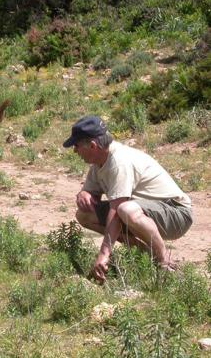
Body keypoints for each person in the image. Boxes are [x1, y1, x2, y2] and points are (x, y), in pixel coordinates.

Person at [63, 116, 193, 284]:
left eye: (76, 146)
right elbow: (90, 193)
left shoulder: (119, 162)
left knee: (125, 210)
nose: (75, 151)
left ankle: (164, 261)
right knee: (84, 214)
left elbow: (116, 210)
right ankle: (144, 252)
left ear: (93, 146)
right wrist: (84, 194)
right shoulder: (99, 161)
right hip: (145, 212)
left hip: (177, 213)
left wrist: (104, 255)